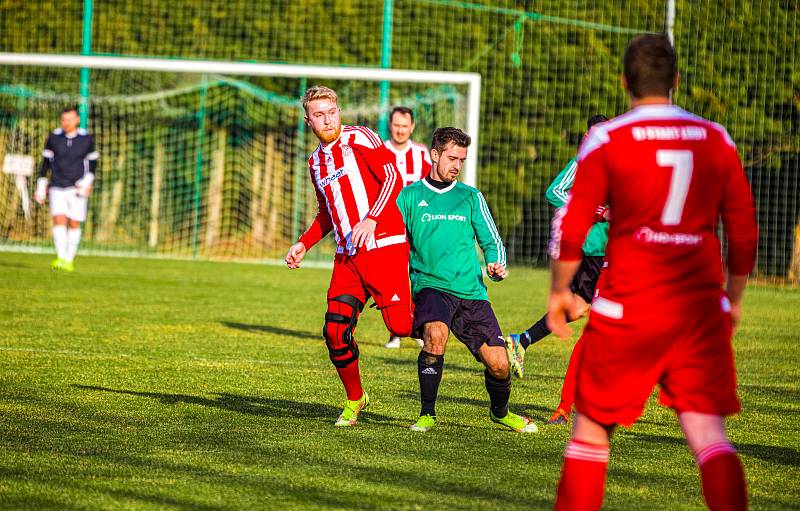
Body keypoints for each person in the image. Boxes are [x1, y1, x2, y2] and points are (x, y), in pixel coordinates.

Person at [548, 34, 757, 510]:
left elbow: (575, 220)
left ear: (625, 83)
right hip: (698, 310)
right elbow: (743, 230)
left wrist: (560, 288)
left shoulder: (609, 137)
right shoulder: (714, 137)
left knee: (591, 433)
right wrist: (735, 297)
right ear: (676, 81)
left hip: (628, 307)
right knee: (709, 435)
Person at [285, 85, 413, 427]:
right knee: (334, 330)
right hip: (348, 259)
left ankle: (460, 314)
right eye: (318, 115)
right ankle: (355, 398)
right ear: (308, 121)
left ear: (338, 112)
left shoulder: (361, 138)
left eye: (331, 112)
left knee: (402, 326)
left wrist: (371, 218)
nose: (326, 120)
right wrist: (303, 243)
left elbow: (392, 177)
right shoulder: (315, 162)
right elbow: (326, 213)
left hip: (385, 246)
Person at [397, 127, 536, 434]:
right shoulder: (409, 197)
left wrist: (496, 264)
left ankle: (500, 413)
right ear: (435, 155)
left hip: (471, 292)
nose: (457, 165)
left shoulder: (470, 197)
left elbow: (491, 240)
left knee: (499, 364)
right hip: (431, 286)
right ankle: (427, 414)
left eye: (461, 159)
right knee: (435, 336)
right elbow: (392, 243)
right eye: (452, 157)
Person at [505, 114, 610, 426]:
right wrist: (597, 211)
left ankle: (520, 340)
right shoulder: (582, 162)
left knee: (577, 309)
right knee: (592, 319)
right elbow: (555, 192)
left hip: (609, 253)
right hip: (588, 251)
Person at [383, 106, 431, 349]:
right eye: (396, 125)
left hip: (418, 228)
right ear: (390, 125)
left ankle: (419, 329)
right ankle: (395, 331)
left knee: (419, 278)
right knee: (395, 280)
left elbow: (430, 188)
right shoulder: (379, 152)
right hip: (388, 228)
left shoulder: (421, 153)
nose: (400, 130)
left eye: (405, 125)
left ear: (411, 127)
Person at [34, 106, 99, 272]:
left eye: (70, 119)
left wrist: (87, 181)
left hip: (77, 186)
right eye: (64, 119)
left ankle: (70, 258)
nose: (66, 123)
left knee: (74, 222)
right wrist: (41, 183)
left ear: (77, 120)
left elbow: (92, 163)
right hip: (57, 184)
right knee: (59, 219)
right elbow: (45, 162)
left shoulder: (86, 139)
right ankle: (61, 257)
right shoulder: (54, 137)